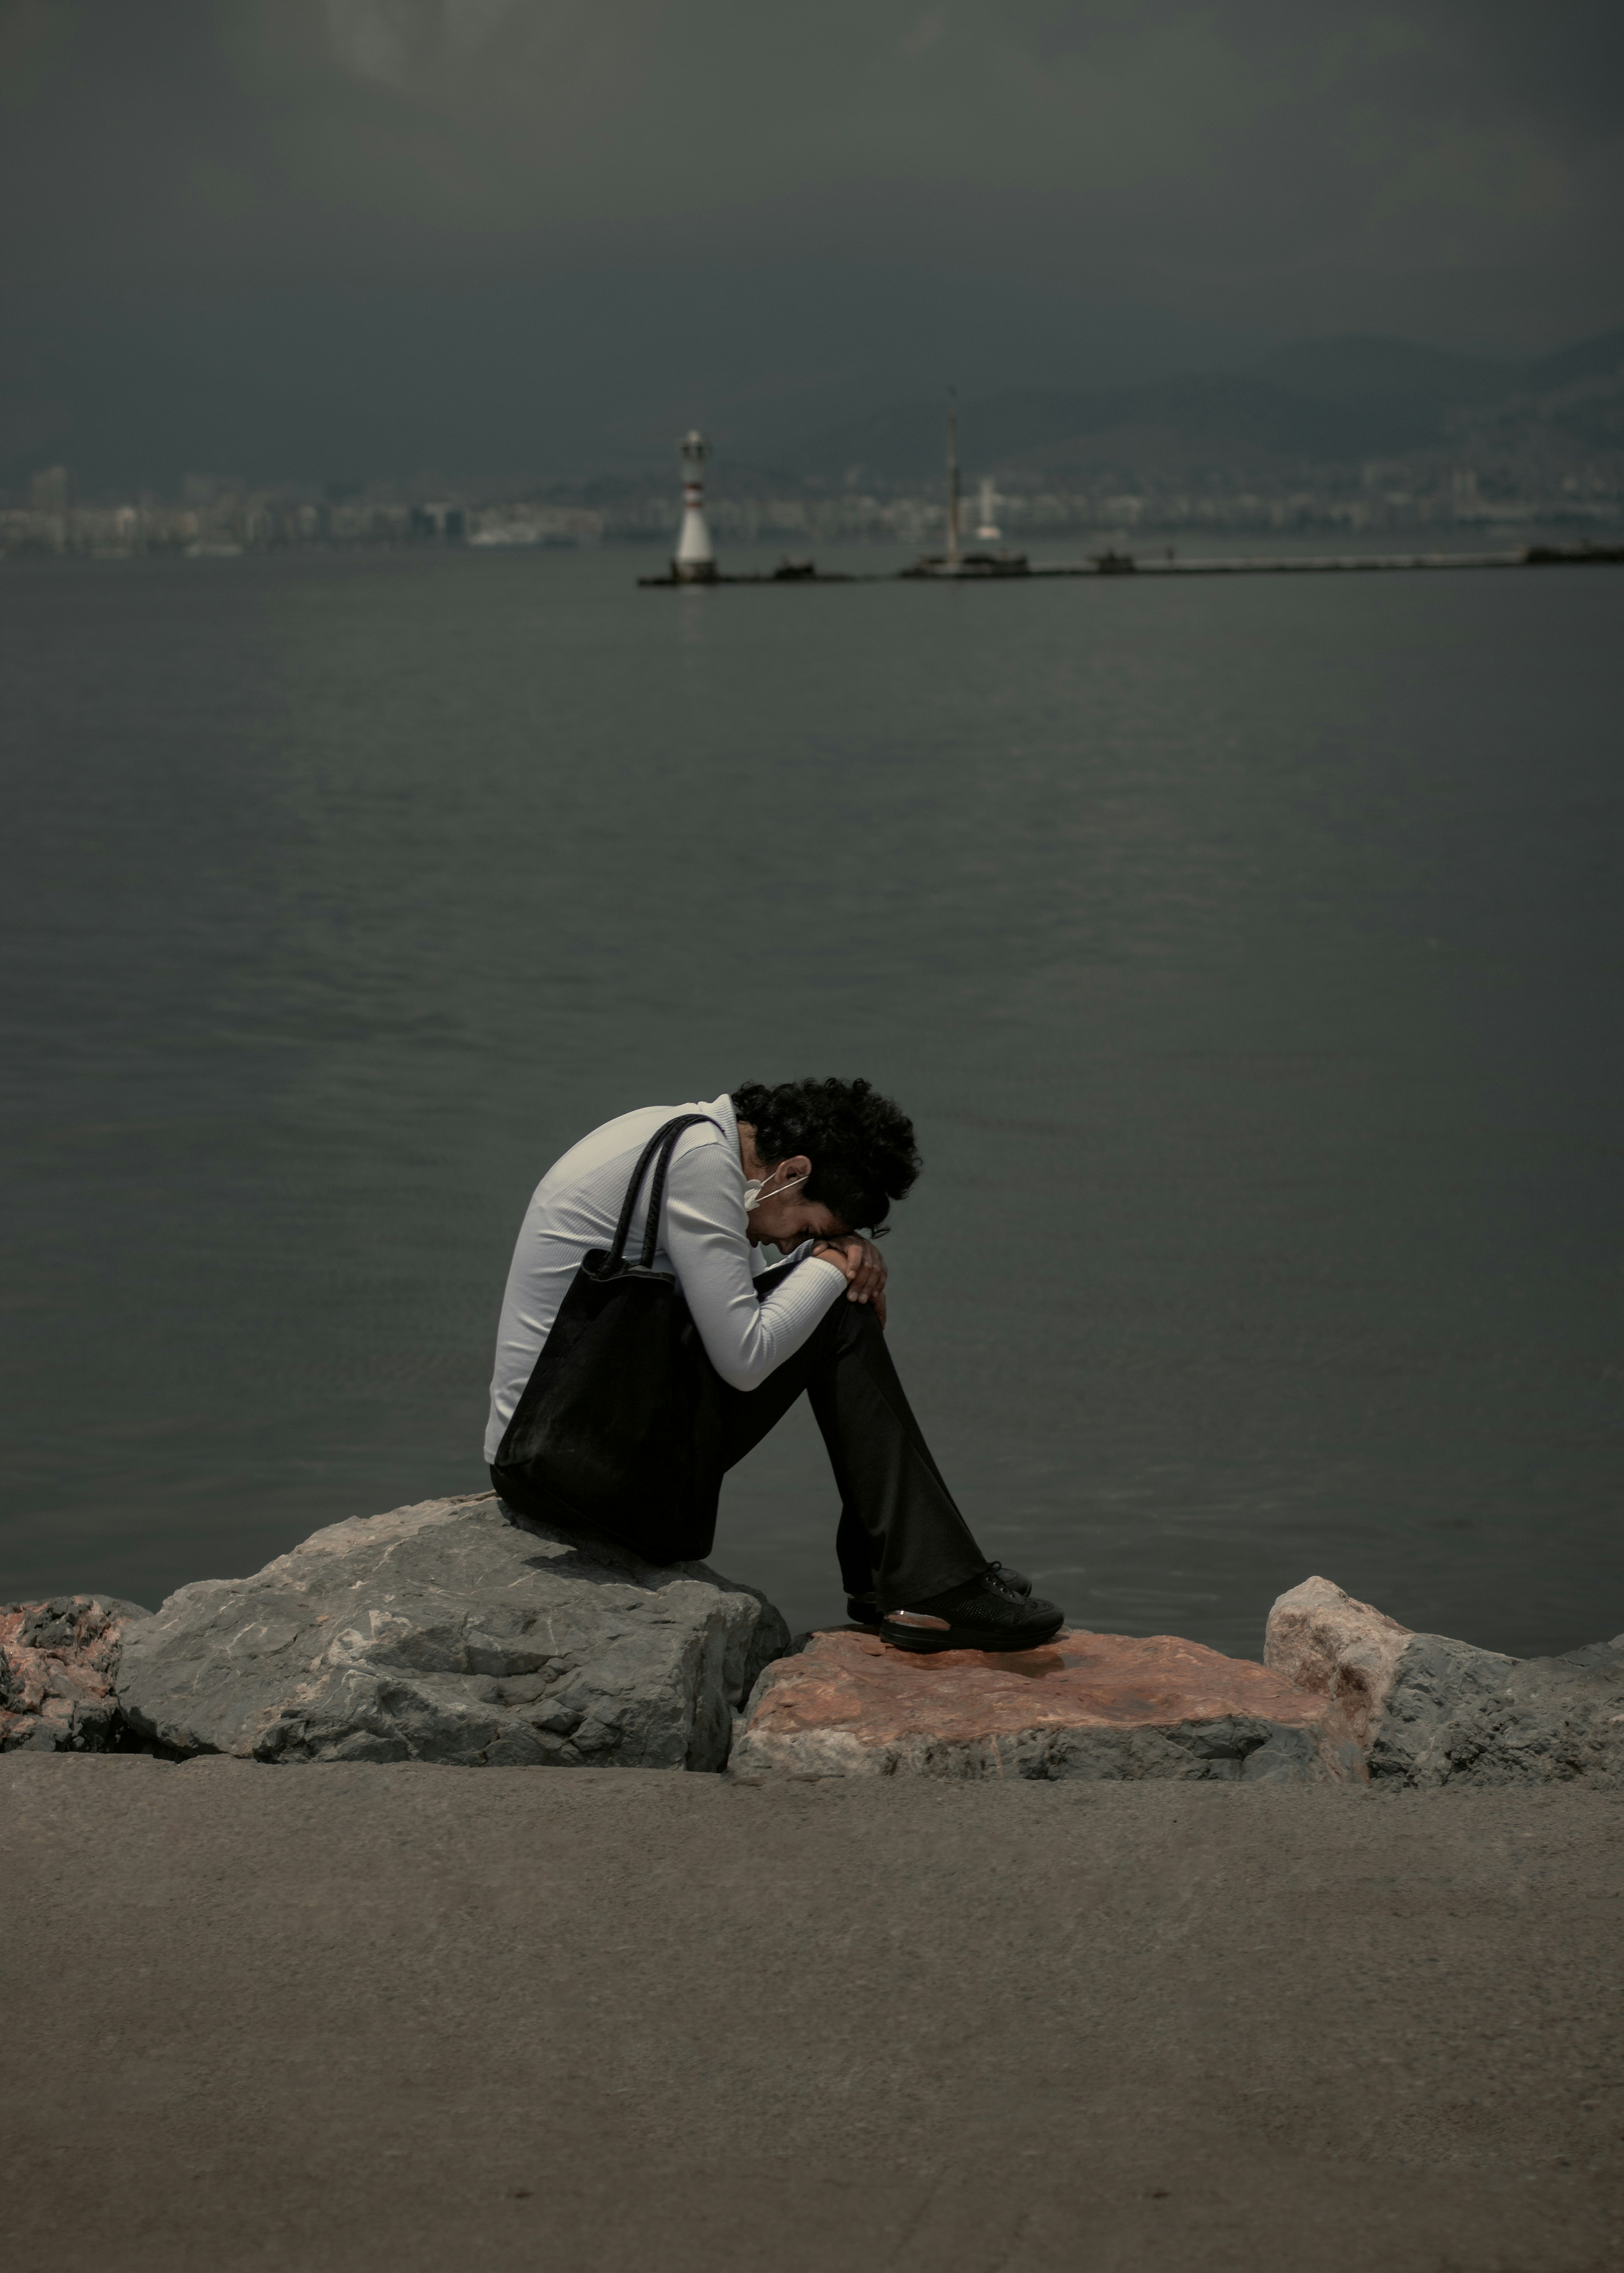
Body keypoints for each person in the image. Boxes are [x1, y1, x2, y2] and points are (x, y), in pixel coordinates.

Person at [485, 1077, 1064, 1653]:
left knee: (832, 1302)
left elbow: (743, 1301)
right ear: (792, 1173)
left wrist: (837, 1257)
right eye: (808, 1228)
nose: (793, 1246)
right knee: (838, 1311)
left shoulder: (690, 1139)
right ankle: (922, 1581)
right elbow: (745, 1358)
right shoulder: (701, 1167)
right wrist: (835, 1268)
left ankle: (911, 1573)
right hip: (570, 1469)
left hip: (562, 1446)